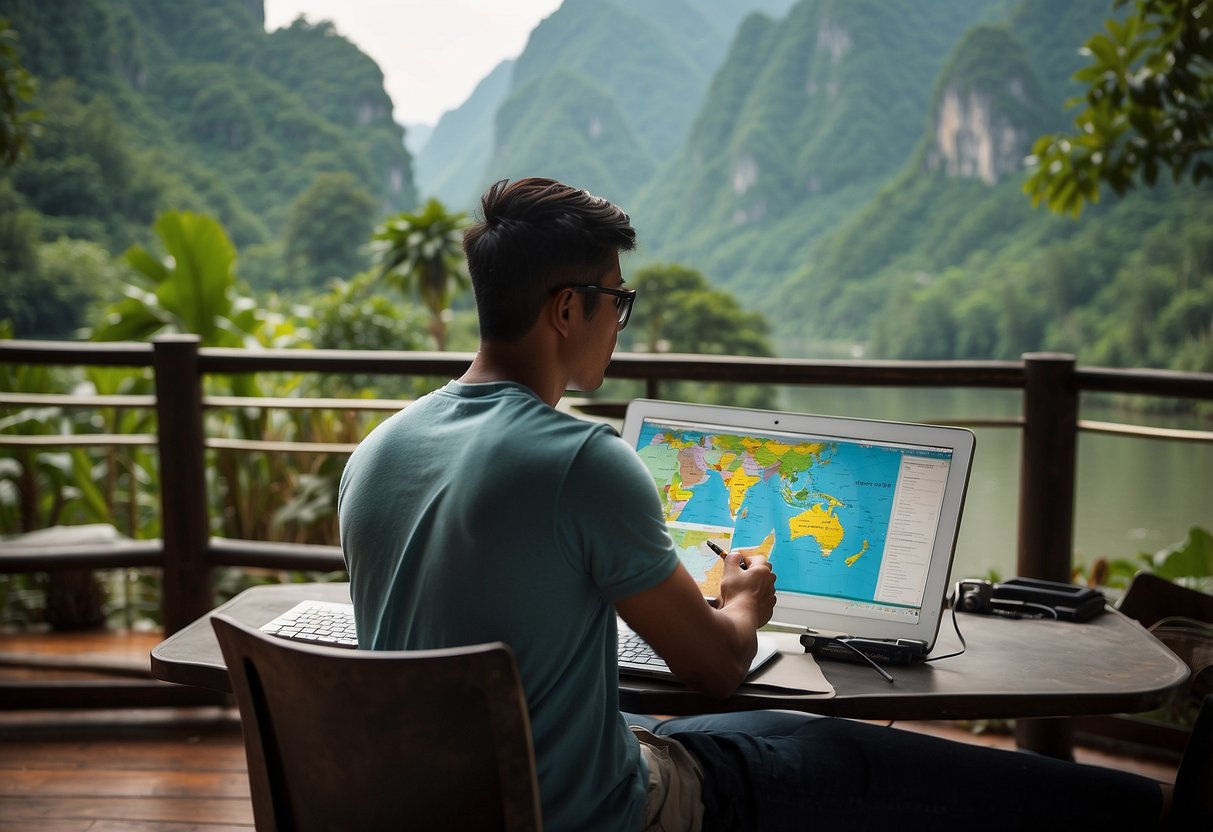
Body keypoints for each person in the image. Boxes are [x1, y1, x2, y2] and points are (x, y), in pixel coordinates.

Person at [338, 177, 1208, 831]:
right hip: (591, 817)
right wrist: (743, 602)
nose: (619, 321)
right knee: (831, 751)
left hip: (437, 802)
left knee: (724, 728)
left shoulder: (379, 451)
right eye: (617, 300)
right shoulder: (579, 462)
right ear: (568, 309)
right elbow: (714, 670)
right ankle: (1143, 813)